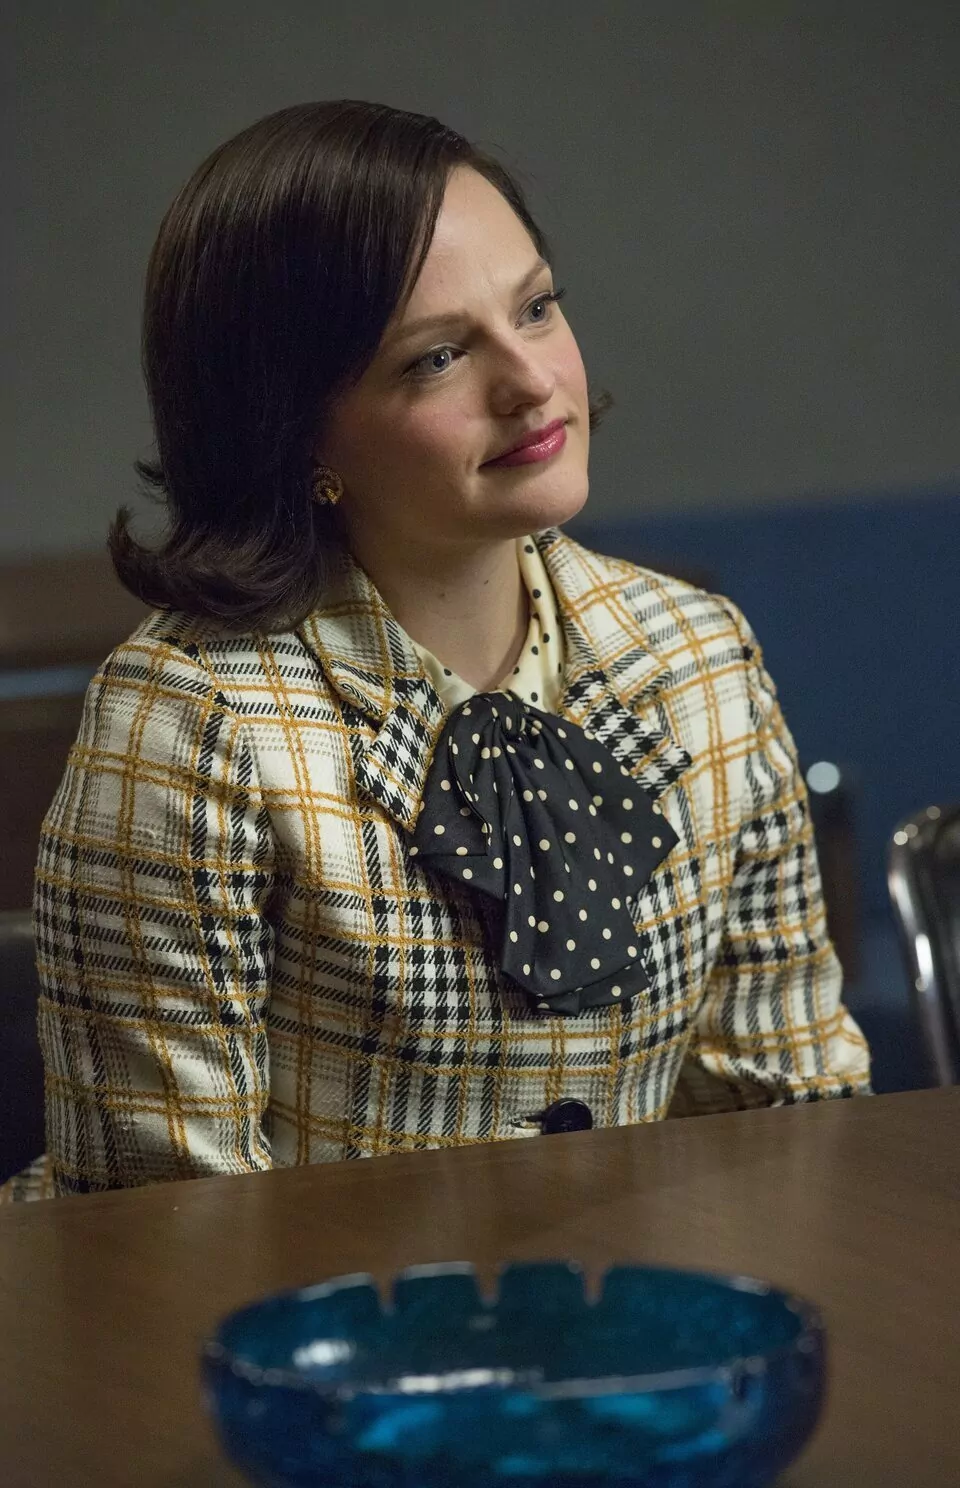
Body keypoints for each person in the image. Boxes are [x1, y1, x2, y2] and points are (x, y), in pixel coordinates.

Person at [8, 100, 870, 1201]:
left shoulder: (700, 653)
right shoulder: (189, 720)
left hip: (625, 1300)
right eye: (438, 357)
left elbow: (794, 1120)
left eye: (537, 308)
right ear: (294, 429)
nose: (530, 382)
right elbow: (162, 1231)